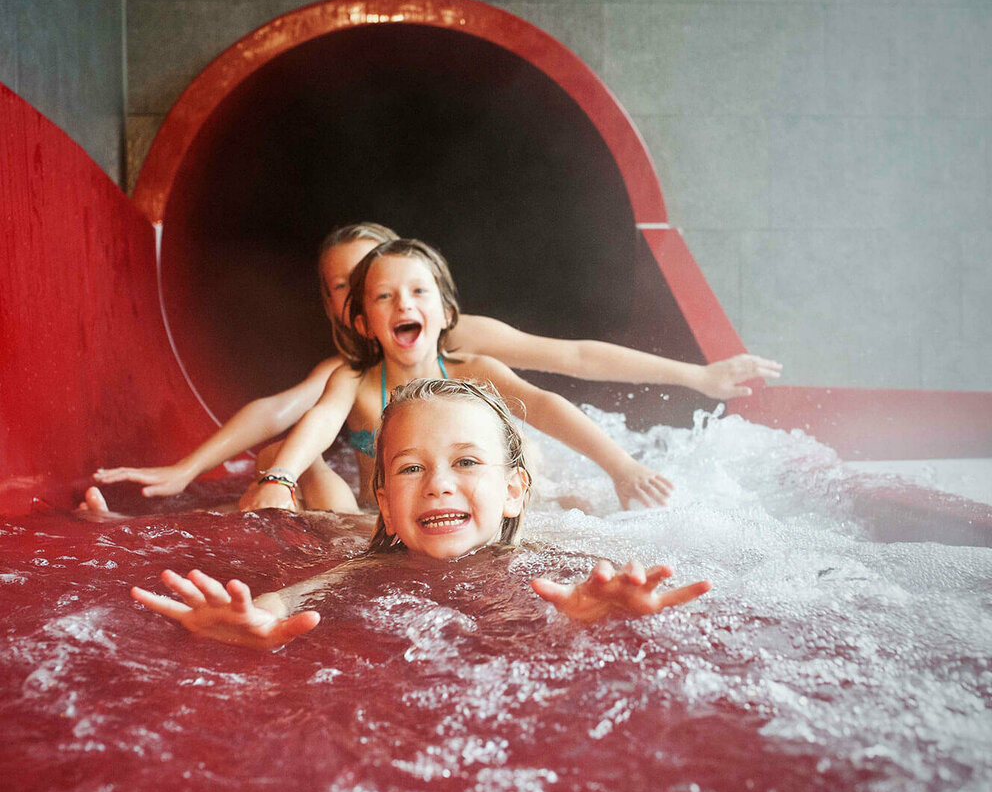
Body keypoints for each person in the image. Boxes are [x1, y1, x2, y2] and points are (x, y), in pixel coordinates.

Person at [94, 222, 781, 502]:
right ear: (349, 308)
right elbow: (286, 413)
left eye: (405, 284)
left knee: (528, 470)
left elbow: (567, 364)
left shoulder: (463, 347)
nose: (390, 299)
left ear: (437, 301)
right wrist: (199, 469)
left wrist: (697, 380)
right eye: (354, 286)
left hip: (481, 486)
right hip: (396, 506)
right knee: (298, 469)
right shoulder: (350, 376)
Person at [130, 378, 711, 650]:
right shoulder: (370, 568)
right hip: (348, 524)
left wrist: (609, 611)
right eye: (409, 469)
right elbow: (285, 601)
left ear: (513, 492)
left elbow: (615, 587)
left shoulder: (552, 559)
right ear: (384, 502)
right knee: (326, 509)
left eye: (464, 462)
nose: (437, 486)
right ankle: (298, 469)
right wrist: (246, 621)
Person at [238, 238, 682, 513]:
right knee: (284, 457)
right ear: (363, 323)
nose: (403, 306)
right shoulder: (354, 382)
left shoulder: (474, 370)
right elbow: (319, 421)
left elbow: (544, 405)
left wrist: (621, 467)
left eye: (417, 292)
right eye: (384, 297)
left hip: (471, 507)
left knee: (530, 469)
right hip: (383, 518)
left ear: (446, 312)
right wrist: (280, 478)